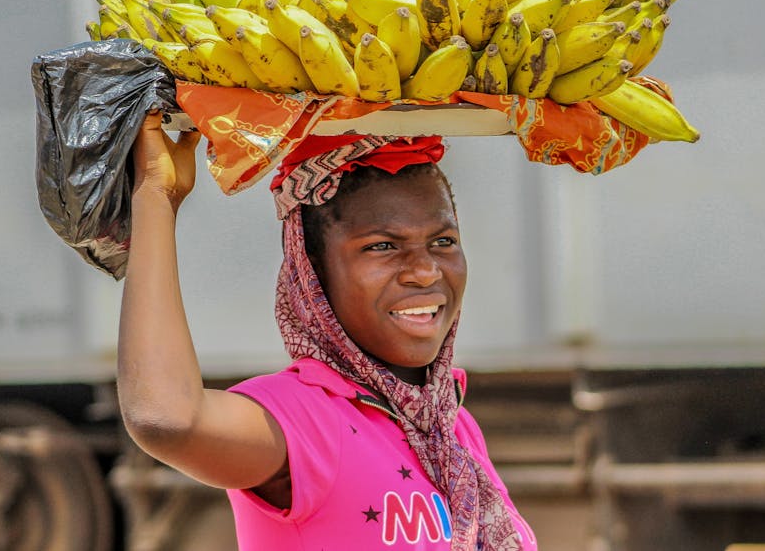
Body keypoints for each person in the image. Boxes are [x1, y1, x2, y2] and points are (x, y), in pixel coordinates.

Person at [117, 111, 538, 550]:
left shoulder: (450, 426)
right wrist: (155, 197)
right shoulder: (307, 419)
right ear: (313, 274)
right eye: (382, 246)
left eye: (443, 241)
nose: (424, 270)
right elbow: (166, 419)